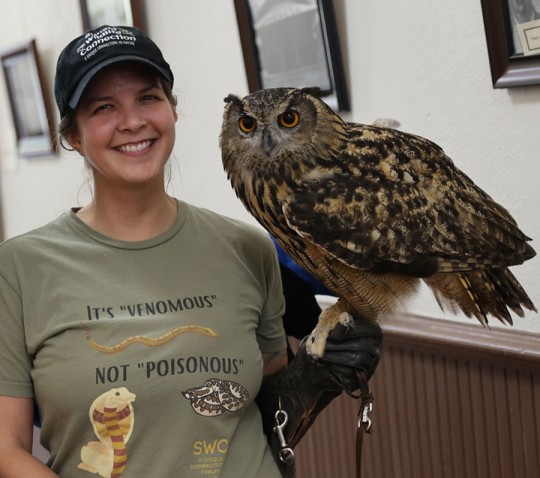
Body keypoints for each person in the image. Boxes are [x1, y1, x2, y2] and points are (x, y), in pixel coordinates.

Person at [0, 25, 381, 478]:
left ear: (172, 110)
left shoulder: (246, 249)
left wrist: (312, 376)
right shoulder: (19, 269)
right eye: (104, 107)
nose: (132, 121)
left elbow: (268, 404)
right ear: (73, 136)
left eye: (148, 98)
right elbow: (7, 451)